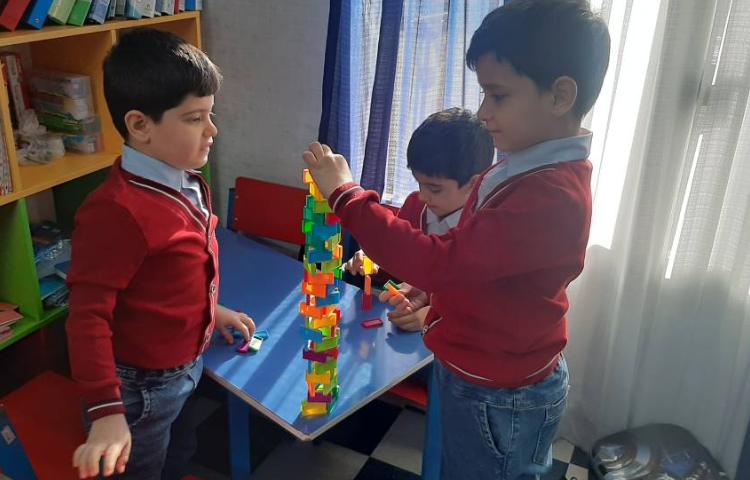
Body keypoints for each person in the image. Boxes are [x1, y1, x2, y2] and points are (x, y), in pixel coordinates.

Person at [303, 1, 610, 478]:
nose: (484, 112)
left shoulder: (550, 196)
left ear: (560, 95)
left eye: (498, 96)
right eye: (484, 94)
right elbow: (478, 268)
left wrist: (346, 195)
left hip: (500, 391)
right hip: (486, 374)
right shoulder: (522, 167)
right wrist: (430, 296)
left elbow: (444, 261)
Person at [66, 29, 256, 479]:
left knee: (180, 450)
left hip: (185, 369)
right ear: (139, 125)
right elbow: (87, 317)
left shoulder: (186, 178)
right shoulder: (115, 212)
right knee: (142, 469)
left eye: (210, 114)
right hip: (138, 389)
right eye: (194, 118)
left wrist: (211, 311)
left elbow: (175, 275)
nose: (212, 130)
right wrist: (106, 411)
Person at [344, 107, 494, 332]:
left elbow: (483, 304)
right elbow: (401, 260)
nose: (423, 195)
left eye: (434, 188)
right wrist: (375, 261)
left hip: (455, 339)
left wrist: (434, 314)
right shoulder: (415, 205)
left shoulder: (486, 228)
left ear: (473, 184)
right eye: (419, 183)